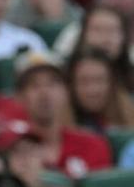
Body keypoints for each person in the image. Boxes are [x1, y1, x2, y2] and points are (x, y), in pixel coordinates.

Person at [9, 50, 113, 179]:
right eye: (34, 85)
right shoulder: (10, 148)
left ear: (67, 92)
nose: (44, 93)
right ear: (19, 97)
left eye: (53, 83)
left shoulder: (93, 146)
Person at [65, 47, 134, 132]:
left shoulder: (129, 115)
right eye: (84, 81)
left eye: (99, 80)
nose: (92, 90)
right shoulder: (58, 127)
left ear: (112, 82)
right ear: (71, 84)